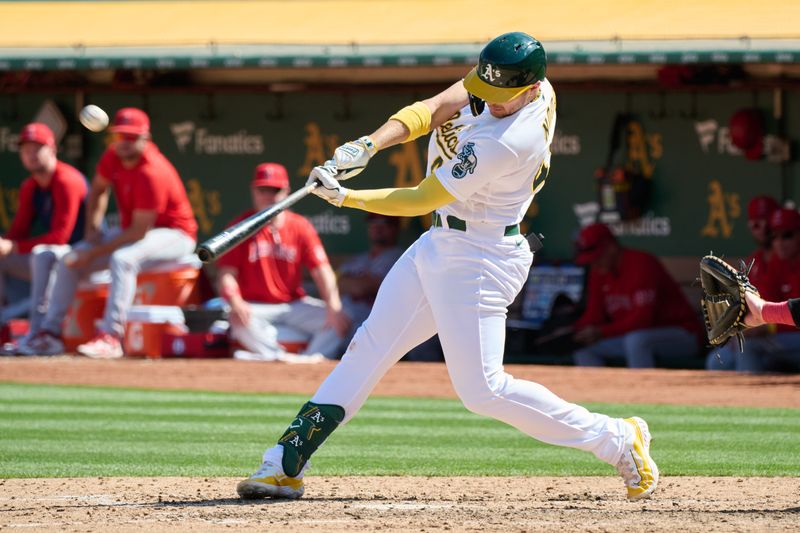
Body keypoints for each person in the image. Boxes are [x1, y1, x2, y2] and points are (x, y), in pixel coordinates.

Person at [235, 32, 658, 502]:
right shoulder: (512, 80)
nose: (490, 102)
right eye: (488, 90)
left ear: (533, 89)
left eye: (502, 98)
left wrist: (345, 196)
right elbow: (435, 108)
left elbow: (424, 196)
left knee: (483, 391)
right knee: (367, 348)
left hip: (480, 257)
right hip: (440, 241)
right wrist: (369, 145)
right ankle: (285, 461)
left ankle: (616, 438)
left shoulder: (512, 140)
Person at [22, 107, 198, 358]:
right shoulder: (112, 156)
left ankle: (111, 336)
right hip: (134, 233)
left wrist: (94, 252)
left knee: (123, 259)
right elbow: (98, 190)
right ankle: (49, 334)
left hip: (175, 234)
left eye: (131, 137)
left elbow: (138, 232)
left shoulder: (152, 171)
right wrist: (92, 231)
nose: (124, 143)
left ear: (145, 138)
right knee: (70, 258)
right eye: (120, 135)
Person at [215, 162, 350, 363]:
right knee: (237, 320)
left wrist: (334, 306)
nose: (268, 196)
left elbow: (322, 271)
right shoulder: (240, 227)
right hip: (254, 305)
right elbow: (226, 275)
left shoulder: (300, 226)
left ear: (287, 191)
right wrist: (236, 303)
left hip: (292, 305)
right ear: (254, 191)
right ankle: (276, 358)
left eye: (275, 190)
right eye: (263, 190)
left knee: (340, 319)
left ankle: (309, 360)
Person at [1, 123, 87, 354]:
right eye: (26, 150)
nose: (31, 155)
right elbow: (18, 230)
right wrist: (6, 245)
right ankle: (3, 330)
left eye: (37, 149)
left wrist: (14, 246)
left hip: (82, 254)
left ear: (52, 149)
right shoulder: (30, 186)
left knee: (42, 254)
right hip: (56, 257)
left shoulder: (66, 180)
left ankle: (41, 333)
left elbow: (61, 237)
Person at [571, 223, 703, 368]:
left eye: (596, 257)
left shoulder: (642, 263)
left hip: (682, 335)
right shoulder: (599, 271)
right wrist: (573, 331)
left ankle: (642, 390)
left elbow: (642, 320)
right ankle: (600, 391)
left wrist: (602, 332)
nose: (593, 263)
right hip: (631, 336)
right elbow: (594, 314)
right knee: (583, 349)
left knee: (636, 341)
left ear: (611, 247)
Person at [709, 207, 800, 372]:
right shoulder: (778, 262)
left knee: (749, 347)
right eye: (774, 237)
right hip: (783, 337)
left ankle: (749, 397)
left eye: (787, 235)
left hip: (791, 335)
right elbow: (767, 304)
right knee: (719, 359)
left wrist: (767, 327)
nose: (779, 242)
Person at [323, 213, 403, 356]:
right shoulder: (358, 259)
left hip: (372, 319)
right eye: (373, 223)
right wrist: (354, 284)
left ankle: (315, 357)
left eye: (384, 223)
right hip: (346, 316)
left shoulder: (400, 257)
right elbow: (333, 284)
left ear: (395, 228)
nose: (378, 228)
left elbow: (362, 287)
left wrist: (352, 283)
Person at [745, 195, 780, 291]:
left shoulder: (789, 260)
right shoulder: (753, 261)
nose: (763, 228)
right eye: (755, 224)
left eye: (766, 222)